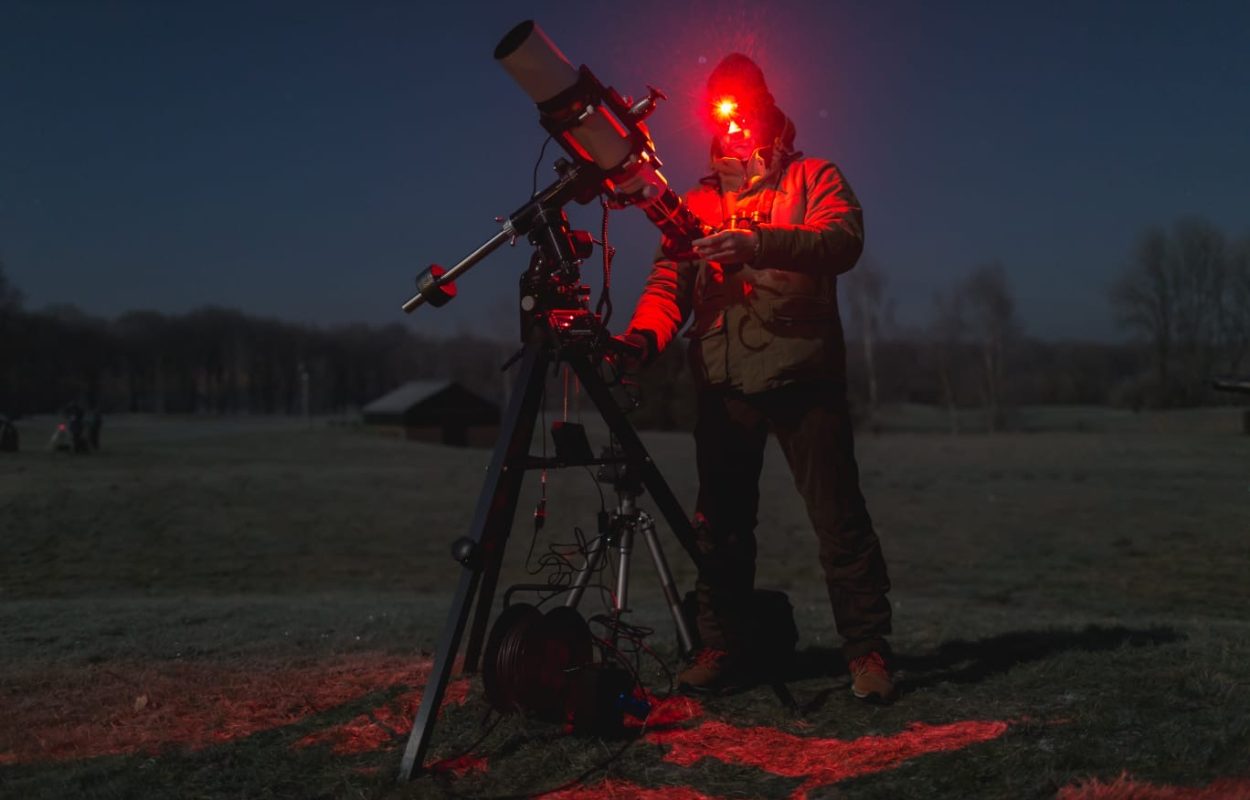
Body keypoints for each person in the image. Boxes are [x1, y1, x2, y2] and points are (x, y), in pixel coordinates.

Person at [617, 53, 895, 701]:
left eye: (744, 106)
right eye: (722, 108)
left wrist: (759, 243)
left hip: (805, 377)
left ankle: (869, 654)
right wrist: (643, 337)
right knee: (719, 527)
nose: (734, 122)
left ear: (766, 108)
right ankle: (721, 645)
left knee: (839, 521)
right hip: (723, 384)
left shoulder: (813, 176)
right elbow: (668, 284)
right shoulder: (696, 200)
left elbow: (842, 241)